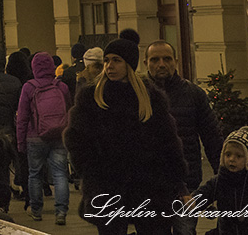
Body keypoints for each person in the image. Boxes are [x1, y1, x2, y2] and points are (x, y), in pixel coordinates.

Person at [64, 38, 188, 235]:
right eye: (106, 60)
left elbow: (168, 141)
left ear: (129, 64)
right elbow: (75, 138)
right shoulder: (92, 96)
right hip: (107, 186)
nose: (110, 66)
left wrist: (175, 179)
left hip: (149, 186)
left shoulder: (150, 96)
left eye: (116, 60)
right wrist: (91, 170)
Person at [145, 41, 225, 235]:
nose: (161, 64)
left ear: (176, 61)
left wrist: (222, 180)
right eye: (155, 60)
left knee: (185, 231)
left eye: (167, 59)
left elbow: (212, 138)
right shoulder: (139, 94)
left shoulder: (193, 94)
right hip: (150, 184)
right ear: (146, 62)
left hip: (187, 184)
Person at [16, 51, 71, 225]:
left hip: (35, 137)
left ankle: (36, 210)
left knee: (35, 174)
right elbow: (69, 111)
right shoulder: (61, 87)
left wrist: (20, 141)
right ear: (52, 67)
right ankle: (61, 211)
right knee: (60, 174)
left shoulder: (29, 87)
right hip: (58, 136)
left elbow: (22, 117)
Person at [191, 126, 248, 235]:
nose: (232, 159)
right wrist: (192, 201)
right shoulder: (220, 180)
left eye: (238, 156)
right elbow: (205, 193)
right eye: (228, 154)